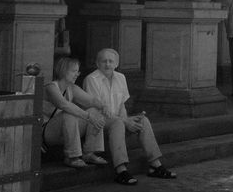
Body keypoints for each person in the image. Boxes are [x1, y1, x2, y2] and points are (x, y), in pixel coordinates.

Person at [82, 48, 177, 184]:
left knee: (143, 120)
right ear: (97, 63)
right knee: (118, 123)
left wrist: (128, 119)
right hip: (99, 122)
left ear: (116, 64)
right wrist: (126, 122)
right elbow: (98, 109)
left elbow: (121, 105)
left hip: (118, 119)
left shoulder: (121, 78)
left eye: (111, 61)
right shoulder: (91, 79)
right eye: (104, 61)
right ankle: (121, 170)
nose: (108, 64)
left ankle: (155, 165)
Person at [42, 56, 113, 169]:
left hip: (65, 129)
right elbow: (64, 105)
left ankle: (88, 153)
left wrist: (104, 106)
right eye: (74, 71)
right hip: (47, 132)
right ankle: (71, 157)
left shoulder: (72, 87)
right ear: (63, 71)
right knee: (69, 113)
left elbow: (91, 101)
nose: (77, 74)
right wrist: (89, 116)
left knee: (94, 110)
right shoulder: (51, 87)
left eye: (78, 71)